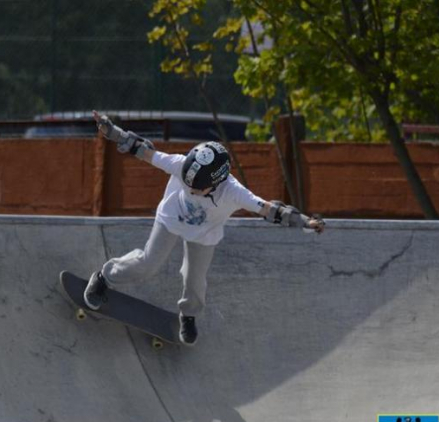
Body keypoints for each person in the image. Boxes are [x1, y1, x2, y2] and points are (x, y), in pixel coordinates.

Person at [84, 111, 325, 346]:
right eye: (187, 185)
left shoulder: (235, 193)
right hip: (170, 218)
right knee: (148, 264)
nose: (191, 190)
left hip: (205, 233)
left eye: (197, 188)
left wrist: (306, 223)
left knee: (195, 278)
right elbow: (143, 151)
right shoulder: (179, 164)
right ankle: (104, 276)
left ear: (216, 182)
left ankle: (188, 316)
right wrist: (111, 131)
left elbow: (272, 210)